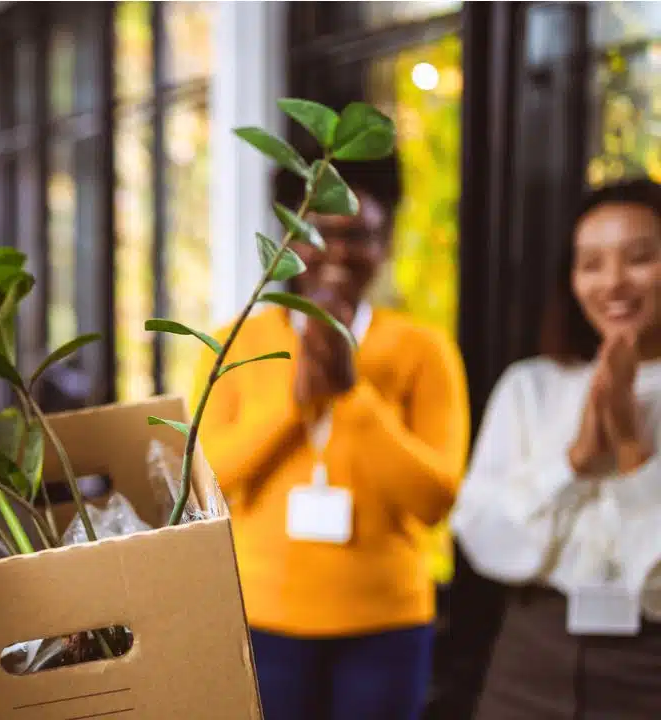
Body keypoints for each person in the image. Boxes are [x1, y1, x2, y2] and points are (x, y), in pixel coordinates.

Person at [192, 153, 470, 720]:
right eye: (319, 233)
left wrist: (351, 392)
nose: (339, 252)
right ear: (288, 242)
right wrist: (296, 401)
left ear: (386, 245)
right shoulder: (234, 341)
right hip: (257, 617)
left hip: (386, 625)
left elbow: (435, 498)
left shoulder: (423, 350)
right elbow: (207, 483)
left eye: (360, 235)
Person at [453, 178, 661, 718]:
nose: (613, 282)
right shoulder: (532, 386)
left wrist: (635, 457)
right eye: (591, 264)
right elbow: (481, 535)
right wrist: (573, 466)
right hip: (532, 653)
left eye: (639, 258)